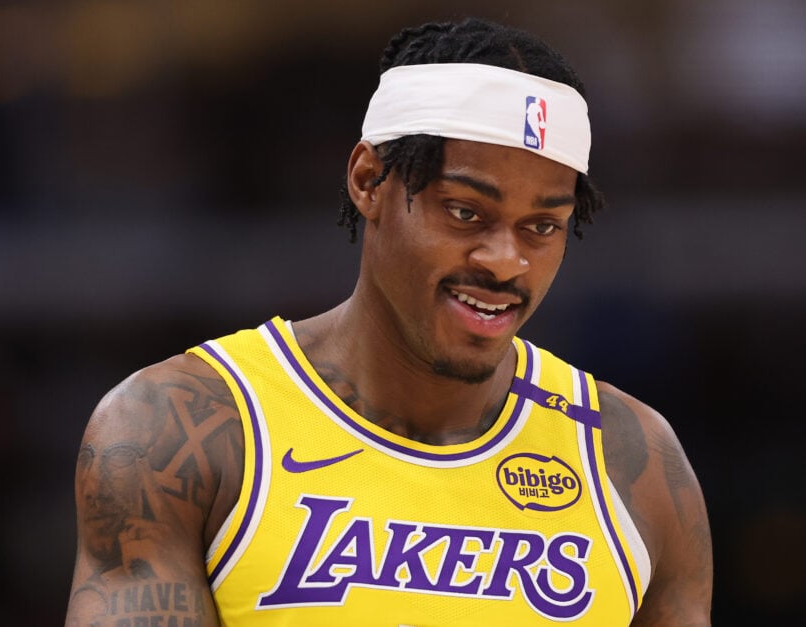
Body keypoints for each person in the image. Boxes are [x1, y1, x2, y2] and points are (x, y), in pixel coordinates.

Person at [64, 17, 712, 627]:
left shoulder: (635, 459)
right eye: (465, 212)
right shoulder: (178, 427)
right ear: (368, 179)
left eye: (541, 226)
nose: (505, 261)